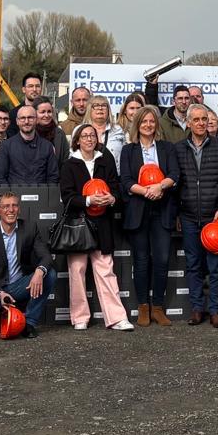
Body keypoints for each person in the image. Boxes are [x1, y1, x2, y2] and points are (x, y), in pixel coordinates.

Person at [58, 125, 132, 331]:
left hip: (103, 225)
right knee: (77, 270)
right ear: (77, 141)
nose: (89, 139)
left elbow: (116, 188)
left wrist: (112, 198)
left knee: (106, 270)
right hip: (78, 225)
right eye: (85, 136)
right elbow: (68, 198)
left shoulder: (105, 160)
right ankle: (80, 317)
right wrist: (89, 200)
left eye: (92, 135)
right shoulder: (69, 165)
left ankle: (117, 318)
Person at [174, 105, 218, 327]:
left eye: (204, 119)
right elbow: (176, 182)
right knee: (193, 265)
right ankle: (197, 309)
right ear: (188, 123)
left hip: (214, 217)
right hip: (189, 216)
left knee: (216, 267)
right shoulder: (178, 149)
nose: (201, 123)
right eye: (196, 120)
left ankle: (216, 311)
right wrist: (178, 212)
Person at [119, 105, 180, 326]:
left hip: (162, 210)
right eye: (144, 121)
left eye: (151, 121)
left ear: (156, 124)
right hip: (138, 209)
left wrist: (159, 187)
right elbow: (125, 180)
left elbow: (175, 174)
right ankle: (143, 307)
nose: (148, 125)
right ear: (137, 124)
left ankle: (158, 307)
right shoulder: (129, 150)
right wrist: (146, 191)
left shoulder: (166, 148)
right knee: (142, 261)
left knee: (162, 260)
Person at [0, 190, 55, 335]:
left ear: (19, 209)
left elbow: (46, 256)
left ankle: (28, 323)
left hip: (20, 285)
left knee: (50, 274)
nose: (11, 210)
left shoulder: (29, 228)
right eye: (6, 206)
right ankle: (0, 317)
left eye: (14, 206)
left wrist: (39, 271)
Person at [0, 105, 59, 186]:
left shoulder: (47, 147)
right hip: (13, 195)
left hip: (41, 195)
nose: (26, 121)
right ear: (17, 121)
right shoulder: (6, 146)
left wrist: (46, 195)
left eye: (30, 117)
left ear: (36, 120)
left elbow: (53, 177)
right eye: (22, 118)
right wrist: (10, 196)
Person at [85, 95, 127, 163]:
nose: (100, 108)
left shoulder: (118, 130)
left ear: (108, 110)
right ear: (90, 109)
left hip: (114, 172)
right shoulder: (80, 130)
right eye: (96, 105)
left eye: (104, 105)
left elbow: (125, 156)